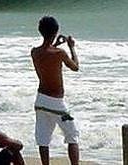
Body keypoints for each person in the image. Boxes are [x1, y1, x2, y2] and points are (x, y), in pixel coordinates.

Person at [31, 16, 80, 165]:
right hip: (56, 102)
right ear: (56, 31)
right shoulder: (59, 53)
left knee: (43, 138)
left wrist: (55, 43)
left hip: (41, 100)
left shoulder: (34, 52)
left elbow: (46, 50)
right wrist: (71, 46)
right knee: (72, 135)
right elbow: (75, 67)